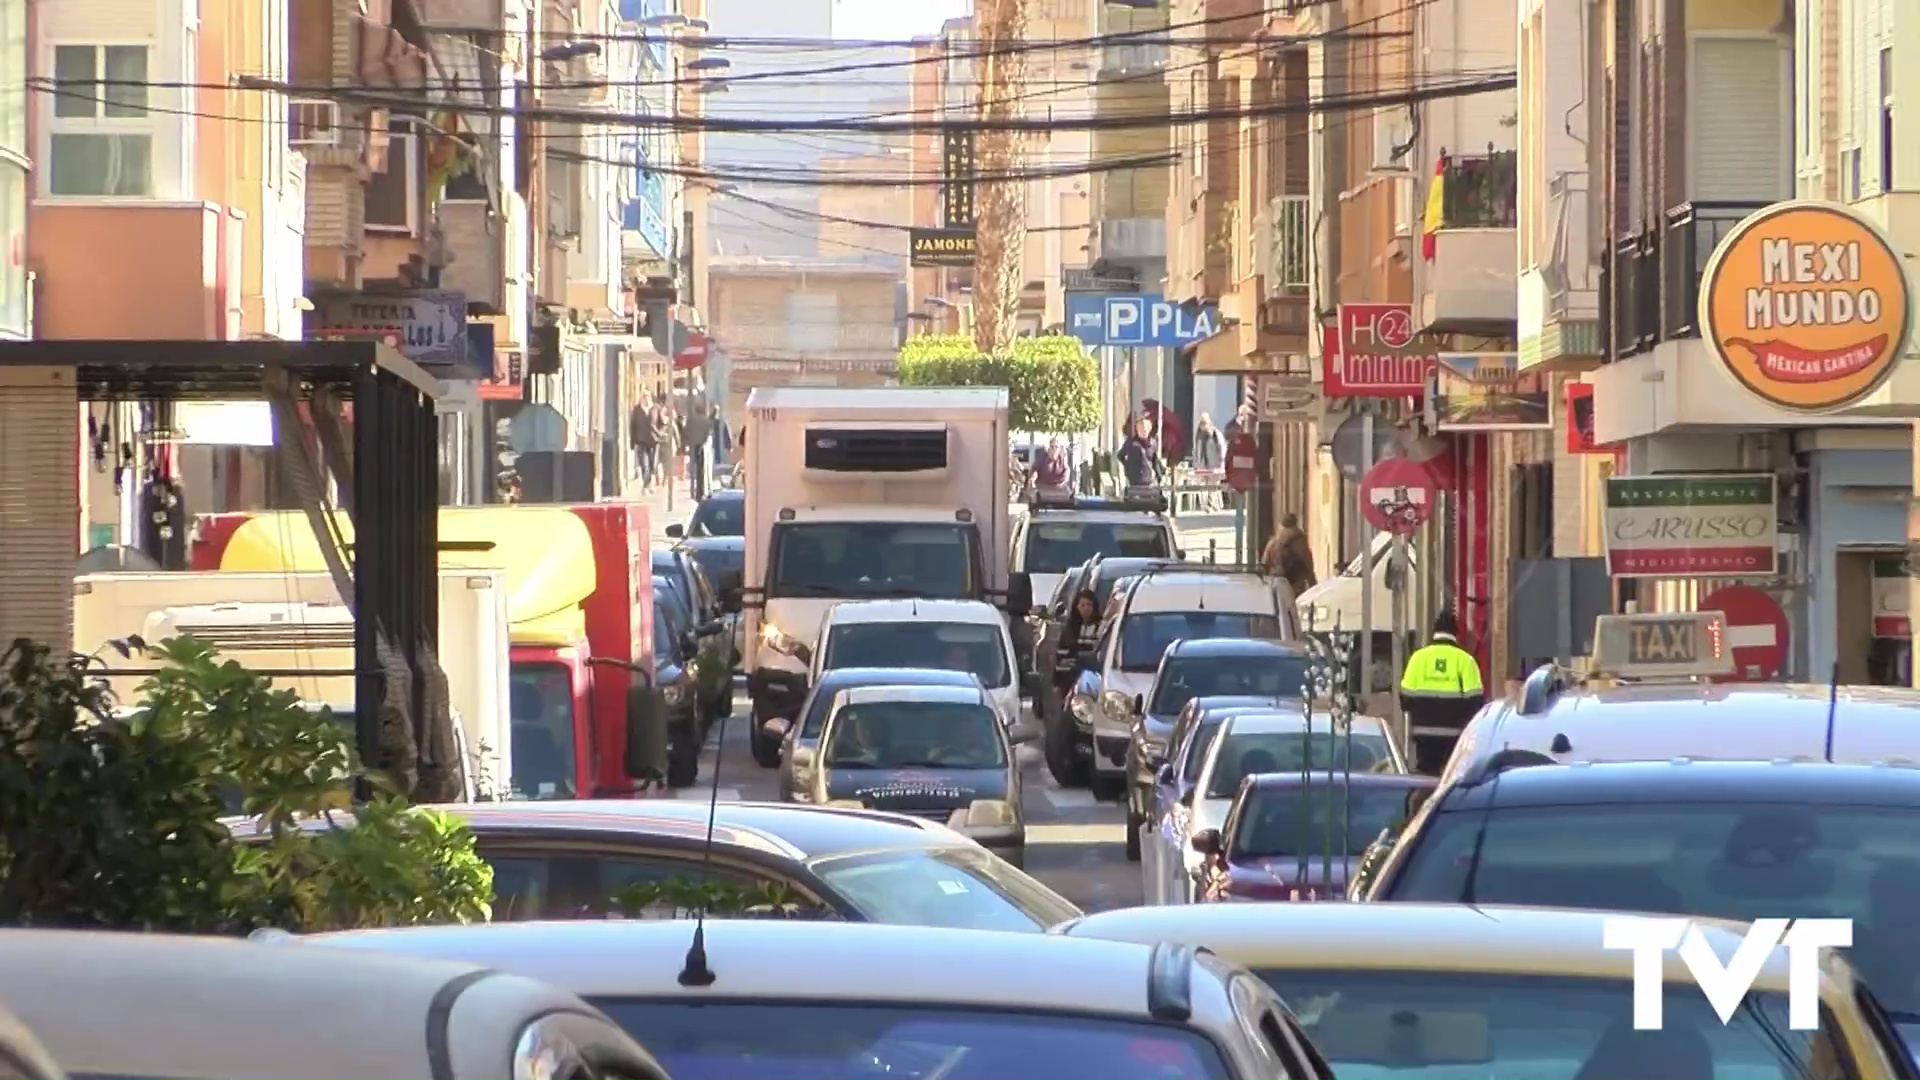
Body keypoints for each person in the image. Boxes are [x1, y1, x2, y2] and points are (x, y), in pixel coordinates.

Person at [1398, 610, 1486, 775]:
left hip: (1423, 734)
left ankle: (1424, 799)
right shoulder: (1465, 660)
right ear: (1456, 634)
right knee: (1453, 776)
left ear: (1434, 632)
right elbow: (1476, 703)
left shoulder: (1417, 658)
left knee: (1425, 777)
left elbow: (1405, 701)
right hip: (1455, 737)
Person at [1261, 513, 1317, 597]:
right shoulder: (1300, 542)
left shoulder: (1273, 542)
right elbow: (1308, 565)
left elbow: (1264, 564)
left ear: (1281, 524)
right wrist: (1313, 586)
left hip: (1278, 584)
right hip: (1296, 586)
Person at [1117, 416, 1163, 489]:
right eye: (1140, 428)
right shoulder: (1131, 442)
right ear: (1137, 430)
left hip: (1148, 478)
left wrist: (1159, 476)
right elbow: (1120, 455)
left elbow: (1155, 460)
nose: (1143, 431)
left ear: (1149, 429)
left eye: (1144, 429)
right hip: (1134, 478)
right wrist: (1128, 466)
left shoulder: (1153, 443)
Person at [684, 400, 715, 501]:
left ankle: (696, 491)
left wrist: (686, 443)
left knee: (695, 470)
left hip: (693, 446)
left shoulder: (691, 420)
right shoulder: (706, 421)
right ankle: (701, 492)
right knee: (702, 471)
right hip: (702, 447)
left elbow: (685, 432)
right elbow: (708, 433)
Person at [629, 394, 660, 493]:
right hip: (641, 440)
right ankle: (646, 485)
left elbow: (661, 422)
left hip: (653, 441)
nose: (646, 398)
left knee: (652, 465)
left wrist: (660, 434)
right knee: (644, 464)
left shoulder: (655, 408)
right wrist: (632, 441)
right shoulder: (637, 410)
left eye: (648, 396)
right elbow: (633, 426)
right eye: (644, 397)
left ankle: (649, 484)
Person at [650, 398, 679, 493]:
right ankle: (664, 480)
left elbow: (675, 434)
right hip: (668, 445)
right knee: (666, 464)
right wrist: (679, 445)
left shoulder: (663, 423)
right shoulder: (670, 423)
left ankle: (663, 480)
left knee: (662, 464)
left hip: (664, 444)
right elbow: (676, 434)